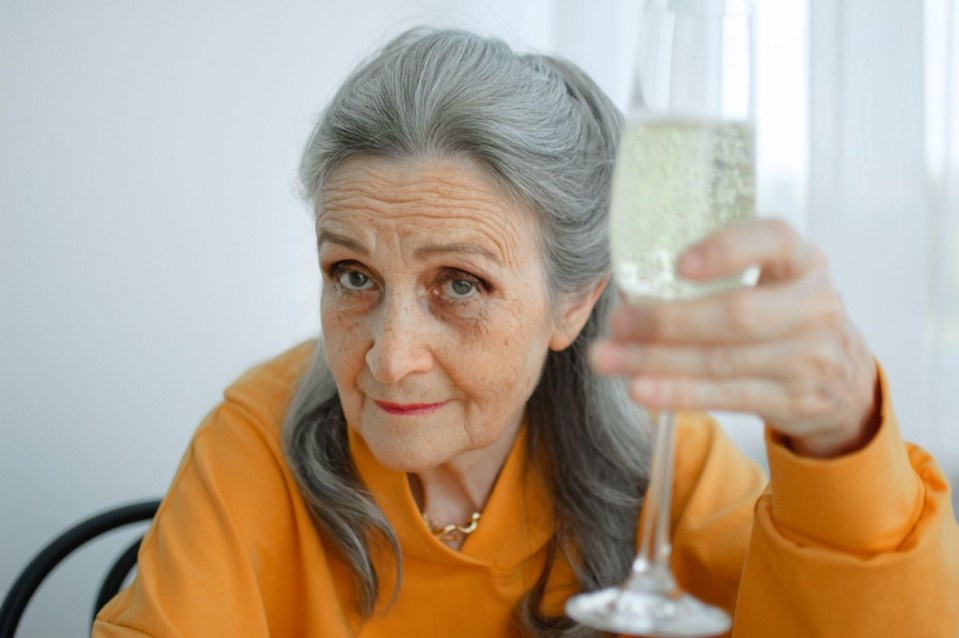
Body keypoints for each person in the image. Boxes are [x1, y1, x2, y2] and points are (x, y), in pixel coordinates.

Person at [93, 28, 959, 637]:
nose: (388, 357)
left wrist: (840, 437)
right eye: (352, 276)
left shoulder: (667, 458)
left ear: (574, 304)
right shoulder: (256, 440)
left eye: (460, 284)